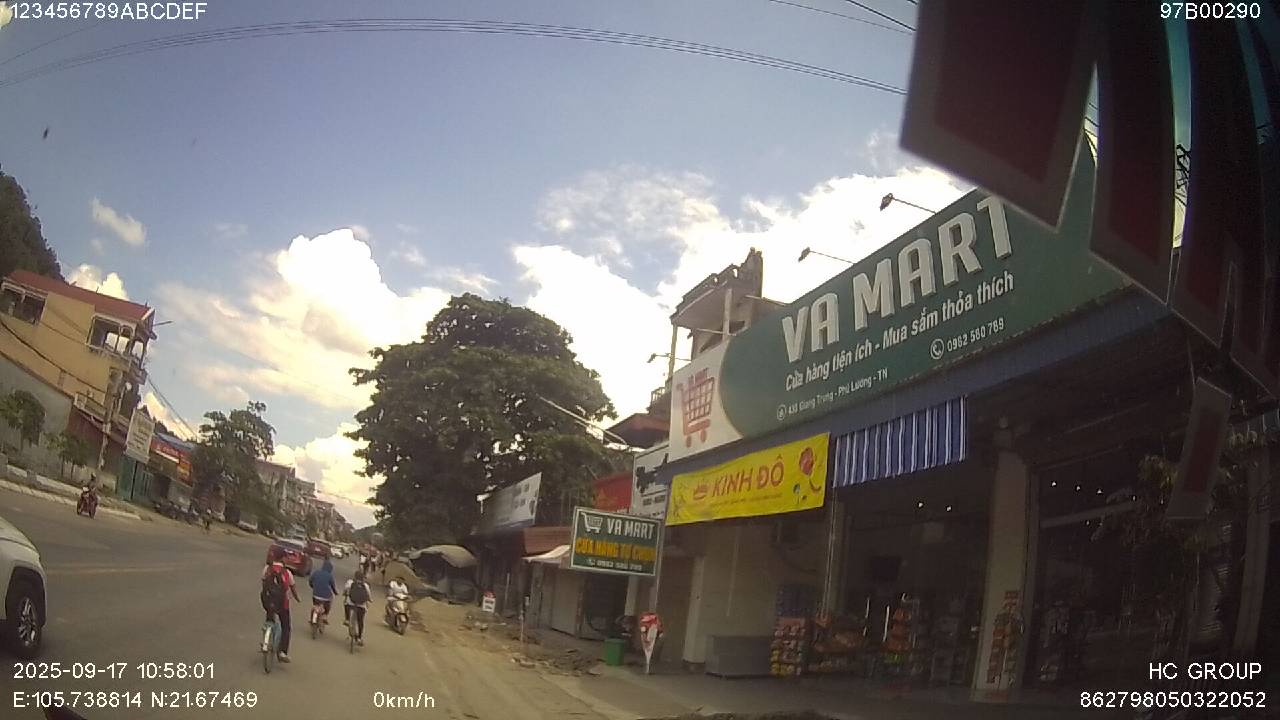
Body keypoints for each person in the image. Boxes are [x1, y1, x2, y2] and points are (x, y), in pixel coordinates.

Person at [261, 547, 301, 662]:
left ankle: (266, 638)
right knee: (286, 626)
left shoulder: (267, 569)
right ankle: (283, 651)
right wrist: (297, 598)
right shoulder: (287, 573)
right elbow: (292, 587)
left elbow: (263, 583)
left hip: (268, 601)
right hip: (282, 603)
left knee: (269, 618)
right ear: (283, 558)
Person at [343, 569, 373, 645]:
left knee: (346, 603)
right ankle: (359, 638)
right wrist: (370, 600)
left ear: (355, 576)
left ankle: (347, 619)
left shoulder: (350, 582)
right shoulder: (366, 585)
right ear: (363, 578)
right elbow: (368, 595)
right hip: (361, 606)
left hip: (351, 604)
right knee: (360, 621)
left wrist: (344, 594)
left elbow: (345, 590)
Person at [309, 557, 338, 625]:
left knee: (315, 605)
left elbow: (310, 581)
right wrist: (335, 592)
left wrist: (313, 587)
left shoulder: (316, 572)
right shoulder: (330, 576)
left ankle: (312, 619)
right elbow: (333, 586)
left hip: (315, 595)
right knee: (328, 604)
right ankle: (325, 616)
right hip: (326, 597)